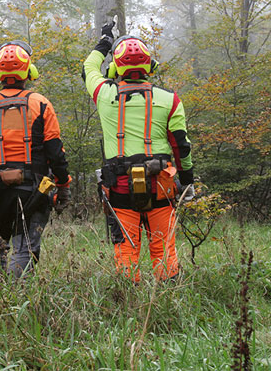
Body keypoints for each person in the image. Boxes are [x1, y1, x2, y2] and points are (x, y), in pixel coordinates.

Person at [83, 22, 195, 282]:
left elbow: (88, 68)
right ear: (150, 67)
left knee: (126, 249)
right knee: (164, 248)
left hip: (120, 187)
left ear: (115, 69)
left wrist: (104, 42)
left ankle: (129, 300)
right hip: (162, 186)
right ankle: (167, 298)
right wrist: (187, 182)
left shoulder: (104, 94)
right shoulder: (170, 99)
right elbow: (181, 145)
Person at [0, 40, 72, 278]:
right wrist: (63, 185)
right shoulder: (41, 104)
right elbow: (56, 152)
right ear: (28, 72)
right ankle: (18, 299)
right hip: (34, 189)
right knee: (24, 247)